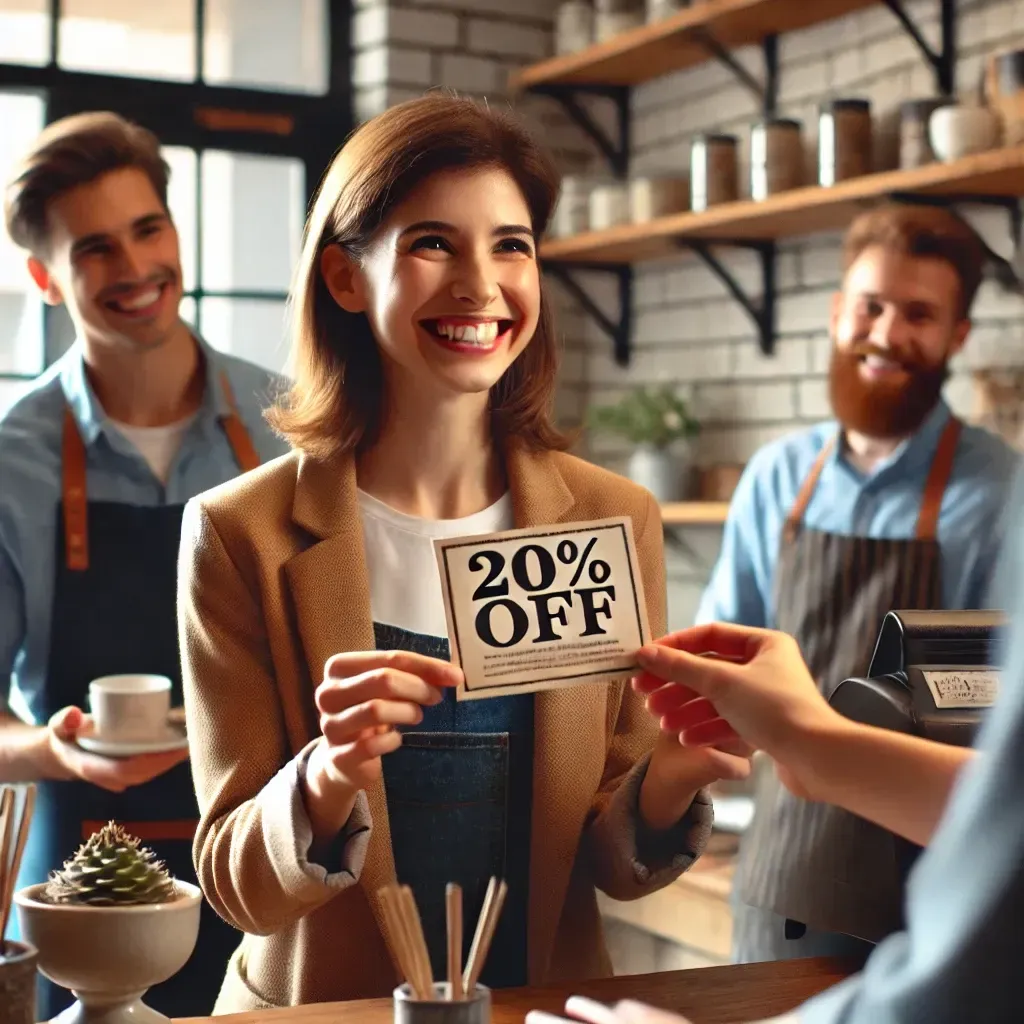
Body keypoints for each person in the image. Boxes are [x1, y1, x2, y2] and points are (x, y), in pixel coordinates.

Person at [175, 94, 752, 1012]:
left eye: (511, 245)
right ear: (345, 277)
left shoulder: (612, 517)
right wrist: (325, 775)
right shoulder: (238, 532)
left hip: (538, 1007)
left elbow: (610, 861)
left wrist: (675, 771)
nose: (481, 285)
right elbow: (233, 883)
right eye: (433, 243)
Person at [0, 111, 288, 1019]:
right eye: (94, 249)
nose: (133, 268)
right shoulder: (13, 463)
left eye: (147, 230)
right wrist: (52, 749)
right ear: (46, 277)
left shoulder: (290, 421)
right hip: (83, 890)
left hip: (267, 864)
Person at [531, 518, 1024, 1024]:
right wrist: (810, 747)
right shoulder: (777, 480)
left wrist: (812, 747)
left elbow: (971, 977)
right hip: (791, 858)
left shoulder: (990, 489)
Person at [694, 202, 1020, 965]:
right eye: (871, 305)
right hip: (783, 879)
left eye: (919, 313)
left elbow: (1007, 725)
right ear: (839, 312)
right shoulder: (779, 477)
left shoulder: (1001, 492)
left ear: (956, 337)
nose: (887, 331)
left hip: (938, 896)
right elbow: (720, 666)